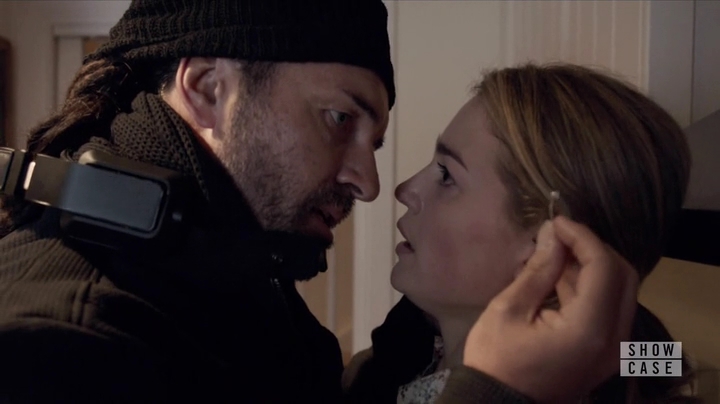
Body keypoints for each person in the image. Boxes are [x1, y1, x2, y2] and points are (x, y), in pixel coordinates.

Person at [0, 1, 638, 402]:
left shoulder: (223, 260)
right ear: (209, 88)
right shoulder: (60, 348)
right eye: (339, 118)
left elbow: (659, 365)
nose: (376, 185)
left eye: (446, 174)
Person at [342, 64, 700, 403]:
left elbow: (669, 365)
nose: (405, 190)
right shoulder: (408, 340)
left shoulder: (626, 354)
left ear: (551, 245)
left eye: (447, 175)